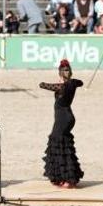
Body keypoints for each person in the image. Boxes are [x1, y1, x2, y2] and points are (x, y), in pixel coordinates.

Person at [40, 59, 84, 188]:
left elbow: (42, 85)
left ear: (60, 73)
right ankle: (64, 177)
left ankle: (67, 178)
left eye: (66, 70)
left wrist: (59, 82)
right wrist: (69, 81)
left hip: (63, 118)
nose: (67, 71)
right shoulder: (73, 83)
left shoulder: (62, 86)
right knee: (64, 145)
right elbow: (80, 82)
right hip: (67, 117)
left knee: (57, 144)